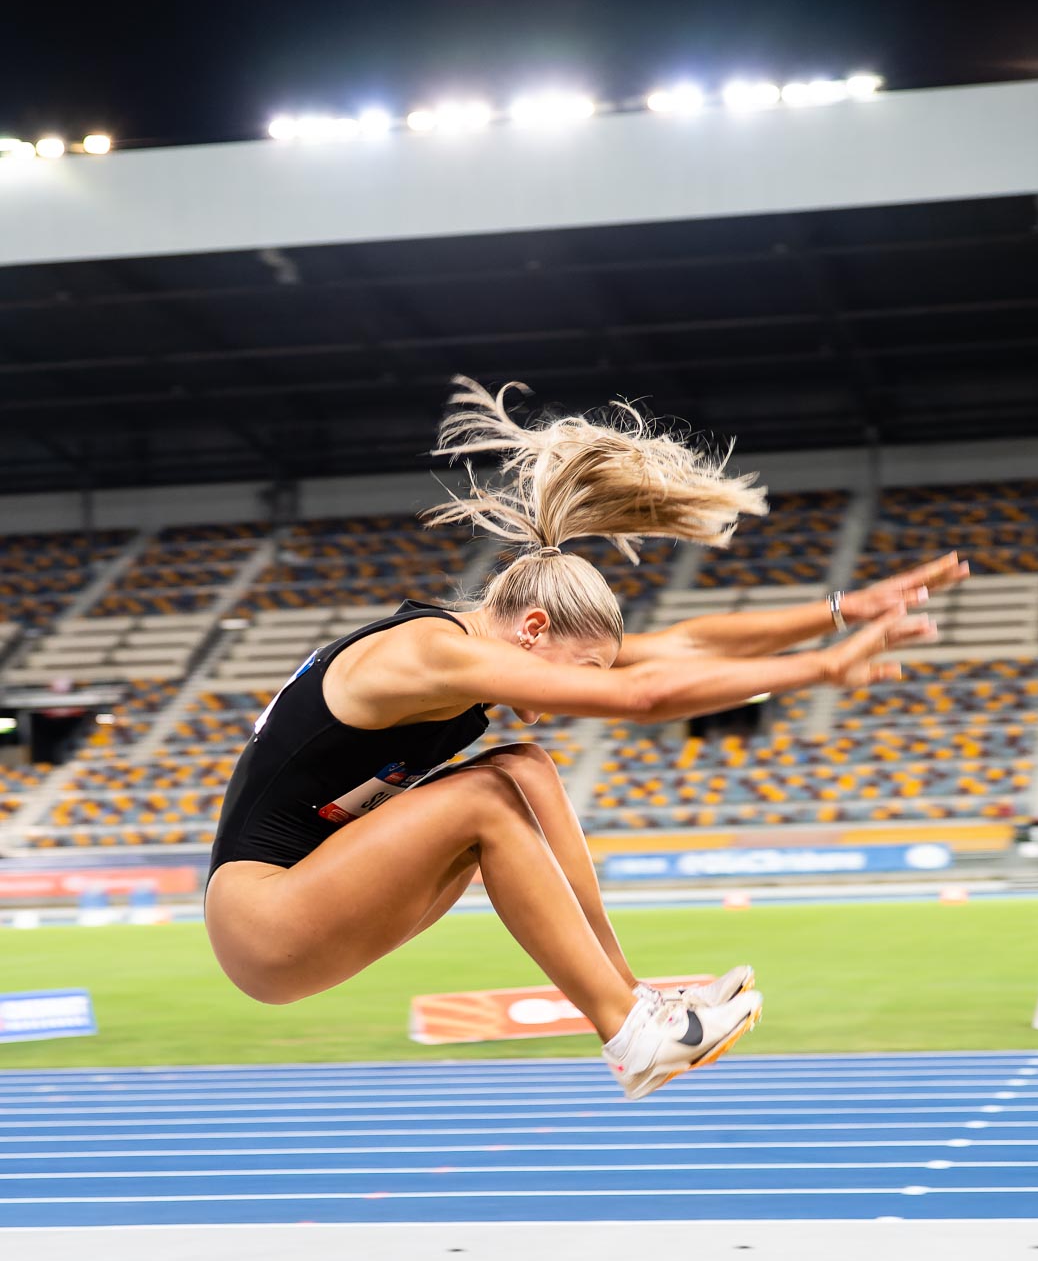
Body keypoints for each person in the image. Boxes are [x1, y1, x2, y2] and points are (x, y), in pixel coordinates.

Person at [204, 376, 964, 1099]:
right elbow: (642, 693)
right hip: (263, 922)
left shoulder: (476, 653)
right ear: (533, 629)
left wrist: (839, 608)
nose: (557, 699)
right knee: (486, 798)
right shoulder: (425, 654)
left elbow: (685, 648)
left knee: (525, 766)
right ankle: (630, 1034)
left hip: (317, 891)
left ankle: (635, 1004)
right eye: (581, 668)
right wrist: (821, 671)